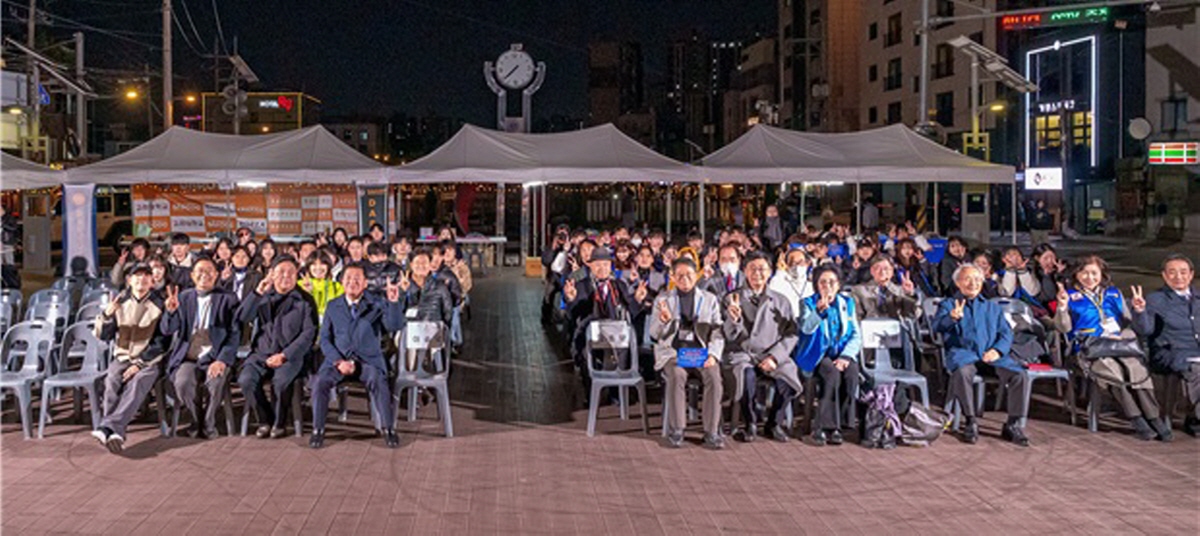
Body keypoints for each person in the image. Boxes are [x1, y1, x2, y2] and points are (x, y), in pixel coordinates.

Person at [1054, 255, 1170, 441]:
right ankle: (1136, 418)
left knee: (1136, 368)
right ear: (1076, 274)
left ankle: (1153, 417)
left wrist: (1139, 310)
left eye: (1094, 273)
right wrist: (1061, 307)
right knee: (1112, 371)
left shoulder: (1114, 294)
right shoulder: (1070, 296)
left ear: (1102, 275)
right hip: (1089, 349)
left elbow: (1132, 324)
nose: (1089, 277)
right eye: (1084, 273)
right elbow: (1063, 328)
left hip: (1118, 345)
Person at [310, 263, 405, 449]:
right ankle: (318, 430)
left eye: (357, 279)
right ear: (342, 282)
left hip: (367, 361)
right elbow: (325, 340)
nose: (352, 283)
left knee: (378, 380)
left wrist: (393, 302)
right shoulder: (333, 305)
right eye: (348, 279)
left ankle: (389, 429)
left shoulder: (376, 304)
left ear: (365, 283)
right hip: (338, 362)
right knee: (320, 382)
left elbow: (394, 326)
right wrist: (338, 361)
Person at [934, 264, 1030, 446]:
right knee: (962, 374)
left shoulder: (992, 307)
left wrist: (997, 350)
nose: (973, 283)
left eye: (977, 279)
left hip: (991, 356)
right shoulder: (948, 304)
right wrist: (952, 318)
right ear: (958, 283)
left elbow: (1006, 333)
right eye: (968, 279)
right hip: (964, 355)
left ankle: (1013, 423)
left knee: (1020, 375)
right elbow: (936, 327)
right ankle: (970, 420)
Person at [90, 263, 170, 453]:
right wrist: (107, 315)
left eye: (145, 276)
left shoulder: (160, 303)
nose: (141, 279)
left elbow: (162, 342)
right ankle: (111, 433)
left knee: (138, 382)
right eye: (136, 276)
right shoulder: (120, 301)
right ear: (129, 280)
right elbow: (104, 336)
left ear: (152, 281)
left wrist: (139, 363)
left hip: (150, 359)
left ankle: (108, 427)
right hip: (123, 356)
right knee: (111, 381)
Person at [723, 251, 802, 442]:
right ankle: (750, 423)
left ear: (770, 272)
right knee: (746, 377)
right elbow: (728, 335)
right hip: (743, 354)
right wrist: (734, 319)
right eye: (753, 269)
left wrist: (775, 357)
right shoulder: (732, 298)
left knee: (787, 382)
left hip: (772, 354)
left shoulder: (781, 300)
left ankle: (774, 423)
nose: (757, 273)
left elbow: (791, 334)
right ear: (745, 271)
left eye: (762, 269)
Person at [236, 256, 319, 439]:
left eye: (291, 272)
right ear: (271, 274)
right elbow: (242, 318)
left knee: (281, 382)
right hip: (260, 354)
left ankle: (280, 422)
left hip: (290, 357)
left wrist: (285, 355)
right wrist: (257, 294)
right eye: (281, 272)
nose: (286, 276)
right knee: (246, 380)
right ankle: (265, 419)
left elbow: (308, 335)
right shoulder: (262, 296)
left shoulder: (305, 301)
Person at [160, 257, 241, 439]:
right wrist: (171, 312)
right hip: (189, 356)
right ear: (192, 275)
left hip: (215, 355)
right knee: (182, 383)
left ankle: (209, 422)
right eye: (200, 272)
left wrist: (221, 360)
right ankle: (196, 419)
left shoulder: (228, 299)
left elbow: (234, 334)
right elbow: (167, 329)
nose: (204, 276)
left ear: (217, 275)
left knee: (215, 382)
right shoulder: (183, 297)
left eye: (209, 271)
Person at [650, 257, 726, 449]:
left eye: (689, 275)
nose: (685, 279)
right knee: (676, 375)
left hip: (701, 353)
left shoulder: (709, 300)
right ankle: (677, 429)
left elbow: (718, 332)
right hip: (674, 353)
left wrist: (713, 355)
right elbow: (653, 334)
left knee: (714, 377)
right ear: (672, 276)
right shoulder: (662, 300)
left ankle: (711, 431)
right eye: (680, 276)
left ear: (697, 275)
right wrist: (663, 321)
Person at [1132, 254, 1200, 437]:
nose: (1179, 276)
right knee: (1196, 369)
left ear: (1191, 275)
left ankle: (1194, 417)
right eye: (1172, 272)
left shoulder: (1198, 298)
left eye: (1183, 272)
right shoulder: (1156, 299)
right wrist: (1140, 311)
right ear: (1164, 276)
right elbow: (1145, 330)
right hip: (1170, 352)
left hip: (1196, 351)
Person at [793, 265, 861, 446]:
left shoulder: (847, 303)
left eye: (832, 282)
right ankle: (824, 427)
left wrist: (846, 357)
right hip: (817, 354)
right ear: (816, 285)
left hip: (840, 353)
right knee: (830, 372)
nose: (827, 286)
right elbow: (806, 329)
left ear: (838, 285)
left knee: (852, 372)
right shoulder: (807, 303)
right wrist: (818, 313)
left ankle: (843, 424)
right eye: (823, 282)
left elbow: (855, 334)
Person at [564, 248, 644, 391]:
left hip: (615, 335)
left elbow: (631, 310)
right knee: (585, 353)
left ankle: (617, 394)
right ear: (590, 265)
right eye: (598, 265)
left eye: (606, 265)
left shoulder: (618, 285)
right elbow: (573, 313)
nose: (602, 269)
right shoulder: (582, 285)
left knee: (624, 350)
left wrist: (637, 299)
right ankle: (592, 393)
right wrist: (571, 298)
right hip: (590, 335)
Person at [850, 256, 918, 321]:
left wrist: (909, 294)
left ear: (892, 271)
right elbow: (856, 317)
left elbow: (914, 315)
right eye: (878, 268)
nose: (882, 272)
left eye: (886, 268)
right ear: (872, 271)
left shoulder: (901, 291)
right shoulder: (859, 291)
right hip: (870, 329)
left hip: (897, 330)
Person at [399, 248, 455, 325]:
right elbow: (396, 312)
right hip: (409, 332)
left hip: (433, 333)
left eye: (425, 262)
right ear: (411, 265)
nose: (421, 265)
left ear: (430, 265)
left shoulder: (440, 287)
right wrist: (402, 291)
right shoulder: (403, 285)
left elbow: (448, 313)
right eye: (417, 262)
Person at [298, 252, 344, 322]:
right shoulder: (299, 285)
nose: (318, 267)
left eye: (322, 264)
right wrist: (308, 293)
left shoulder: (337, 287)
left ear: (328, 266)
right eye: (314, 264)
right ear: (308, 267)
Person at [768, 247, 813, 317]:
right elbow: (772, 290)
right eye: (793, 263)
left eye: (800, 262)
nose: (797, 266)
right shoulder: (781, 283)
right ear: (787, 266)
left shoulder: (812, 286)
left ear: (807, 264)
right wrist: (780, 271)